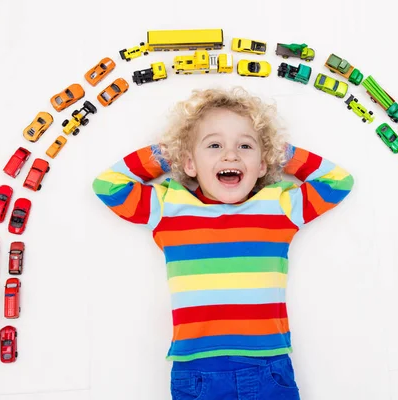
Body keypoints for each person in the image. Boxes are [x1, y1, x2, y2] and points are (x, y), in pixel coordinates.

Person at [92, 87, 354, 400]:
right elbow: (107, 186)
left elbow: (339, 182)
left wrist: (280, 152)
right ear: (190, 165)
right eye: (214, 145)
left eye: (245, 145)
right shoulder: (170, 207)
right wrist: (168, 153)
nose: (230, 155)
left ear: (261, 166)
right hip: (197, 371)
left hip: (269, 364)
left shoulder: (279, 205)